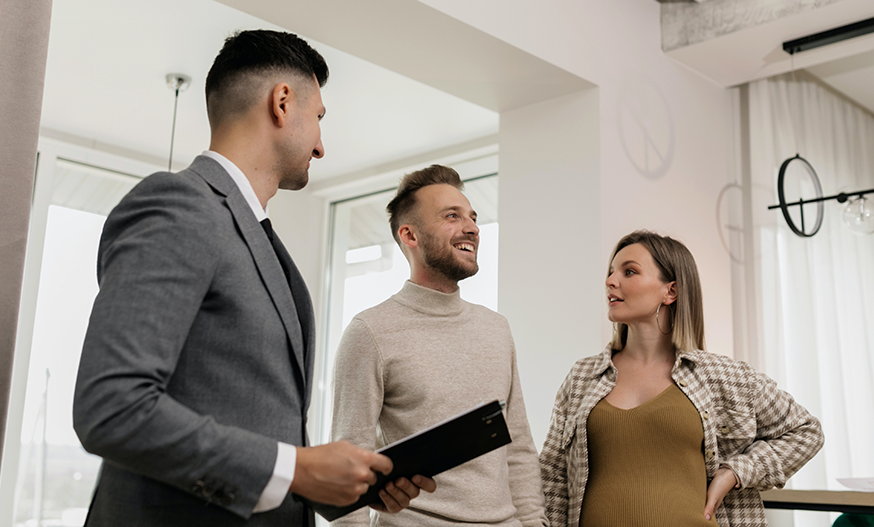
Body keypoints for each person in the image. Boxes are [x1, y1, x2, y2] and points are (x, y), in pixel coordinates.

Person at [72, 29, 433, 527]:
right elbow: (112, 408)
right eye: (320, 118)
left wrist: (332, 488)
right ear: (283, 103)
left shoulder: (255, 234)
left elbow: (259, 425)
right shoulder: (180, 205)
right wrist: (296, 468)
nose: (322, 146)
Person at [540, 230, 824, 527]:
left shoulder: (722, 376)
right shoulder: (582, 377)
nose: (611, 281)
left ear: (671, 291)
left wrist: (735, 472)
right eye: (611, 273)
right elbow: (552, 477)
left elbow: (806, 431)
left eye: (629, 272)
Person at [330, 165, 548, 527]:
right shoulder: (370, 332)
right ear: (410, 235)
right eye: (452, 216)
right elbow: (349, 461)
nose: (472, 227)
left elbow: (519, 449)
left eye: (473, 218)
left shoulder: (496, 329)